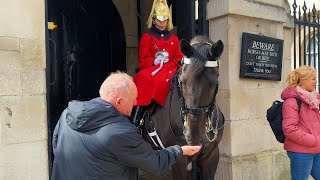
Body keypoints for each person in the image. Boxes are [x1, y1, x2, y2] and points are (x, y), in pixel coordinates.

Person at [51, 71, 201, 180]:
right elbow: (154, 163)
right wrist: (179, 150)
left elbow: (56, 145)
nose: (136, 103)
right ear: (119, 102)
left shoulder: (67, 114)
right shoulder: (120, 132)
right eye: (133, 99)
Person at [132, 0, 184, 124]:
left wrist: (174, 60)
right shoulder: (147, 37)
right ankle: (137, 118)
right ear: (154, 19)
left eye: (165, 20)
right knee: (143, 79)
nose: (162, 23)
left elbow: (179, 55)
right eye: (159, 20)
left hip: (171, 67)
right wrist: (155, 60)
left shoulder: (174, 38)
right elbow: (143, 60)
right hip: (153, 68)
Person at [281, 66, 320, 180]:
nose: (316, 81)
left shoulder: (313, 100)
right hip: (301, 152)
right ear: (303, 80)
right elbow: (289, 129)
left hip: (316, 150)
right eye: (313, 78)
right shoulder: (291, 102)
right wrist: (314, 140)